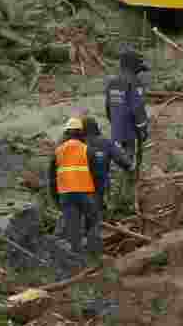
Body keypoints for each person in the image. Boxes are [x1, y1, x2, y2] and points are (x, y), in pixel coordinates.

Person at [48, 117, 101, 259]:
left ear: (66, 133)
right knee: (94, 221)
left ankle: (77, 259)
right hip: (85, 194)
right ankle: (94, 255)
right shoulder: (88, 150)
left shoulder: (57, 152)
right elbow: (98, 176)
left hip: (66, 195)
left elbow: (52, 180)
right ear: (81, 133)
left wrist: (56, 200)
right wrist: (98, 195)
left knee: (73, 230)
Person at [83, 116, 133, 220]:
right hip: (100, 182)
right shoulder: (105, 142)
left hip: (81, 183)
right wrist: (129, 167)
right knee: (98, 206)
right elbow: (120, 158)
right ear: (96, 127)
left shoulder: (79, 143)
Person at [105, 49, 150, 161]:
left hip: (116, 132)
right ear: (133, 66)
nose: (140, 73)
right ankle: (131, 176)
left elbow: (108, 108)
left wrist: (115, 123)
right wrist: (143, 129)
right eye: (139, 69)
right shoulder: (134, 82)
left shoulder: (112, 82)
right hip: (131, 133)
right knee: (131, 163)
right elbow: (138, 108)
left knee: (120, 161)